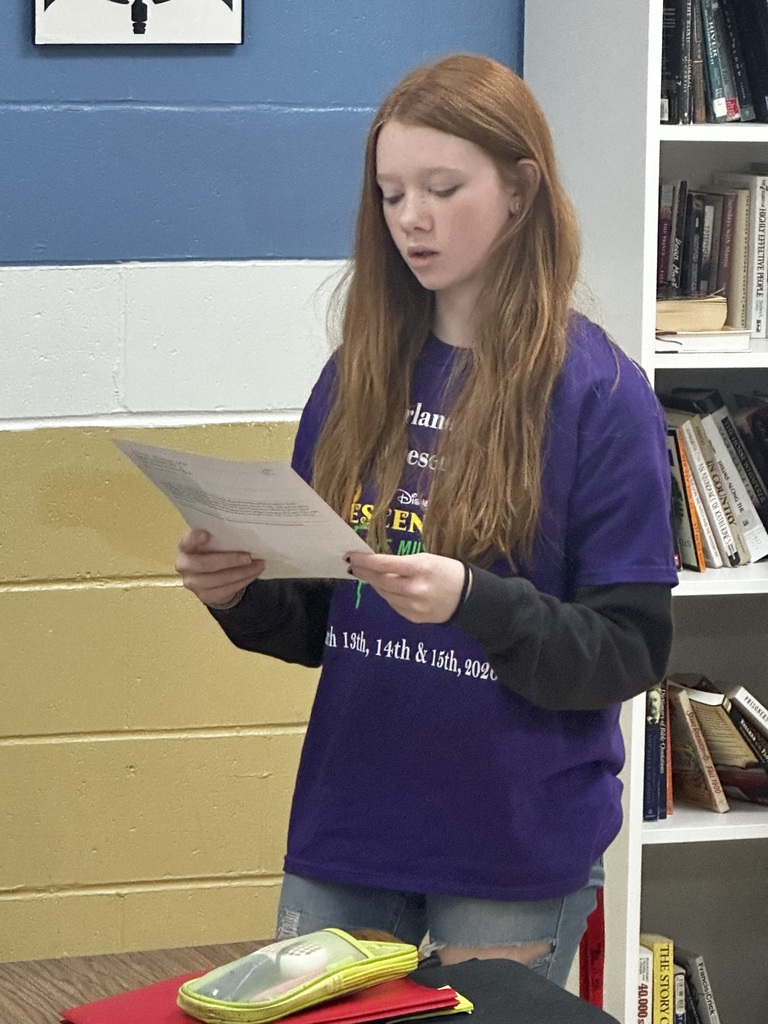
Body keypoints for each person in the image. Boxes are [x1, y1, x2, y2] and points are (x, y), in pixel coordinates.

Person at [175, 53, 677, 988]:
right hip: (349, 831)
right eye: (392, 192)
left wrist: (475, 602)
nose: (412, 217)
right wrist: (239, 593)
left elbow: (628, 651)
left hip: (508, 850)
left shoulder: (601, 395)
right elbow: (326, 619)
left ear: (523, 190)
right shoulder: (357, 374)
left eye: (443, 188)